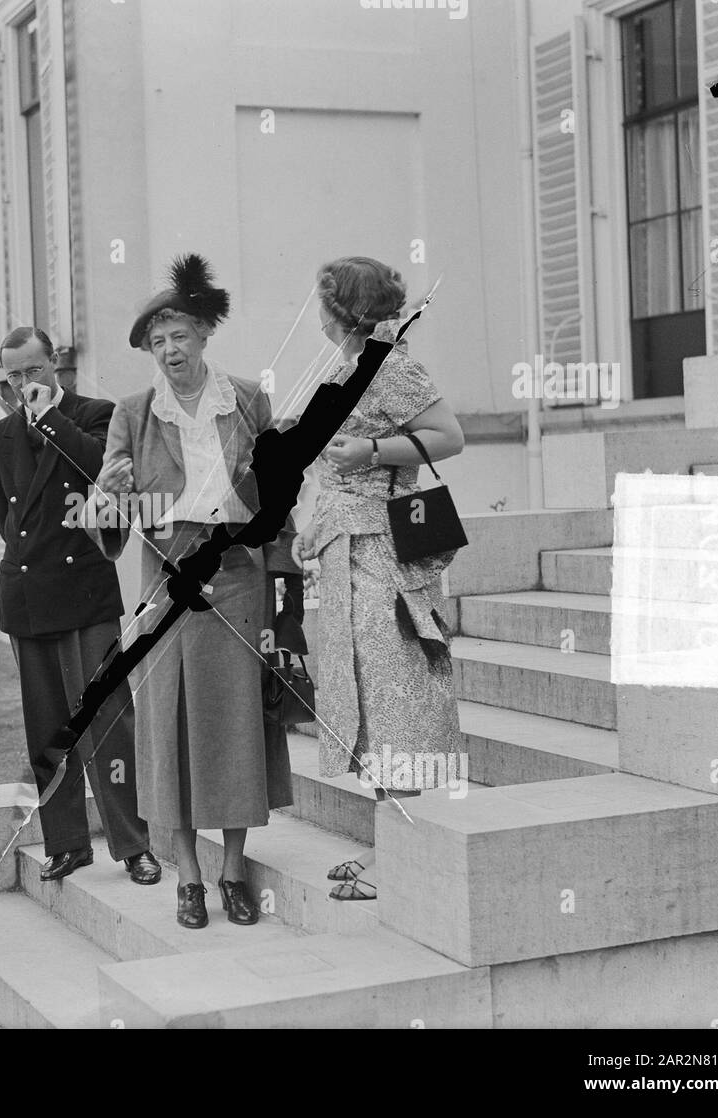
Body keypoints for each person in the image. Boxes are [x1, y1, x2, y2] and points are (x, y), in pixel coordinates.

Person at [85, 254, 296, 929]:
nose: (168, 350)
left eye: (178, 335)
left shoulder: (247, 401)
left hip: (235, 576)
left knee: (233, 728)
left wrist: (285, 571)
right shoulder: (132, 415)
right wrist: (108, 501)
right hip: (168, 583)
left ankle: (233, 871)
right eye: (156, 342)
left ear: (204, 334)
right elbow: (106, 518)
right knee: (169, 727)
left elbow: (275, 496)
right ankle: (188, 878)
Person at [291, 257, 465, 901]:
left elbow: (448, 437)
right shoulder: (354, 367)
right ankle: (387, 842)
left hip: (386, 554)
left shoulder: (389, 366)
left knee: (396, 697)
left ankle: (401, 858)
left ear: (337, 313)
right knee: (370, 697)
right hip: (350, 553)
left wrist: (368, 452)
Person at [0, 327, 159, 886]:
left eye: (32, 371)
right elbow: (7, 519)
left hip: (85, 592)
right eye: (12, 376)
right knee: (48, 730)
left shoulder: (97, 414)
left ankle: (134, 846)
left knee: (108, 723)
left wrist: (49, 418)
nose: (22, 384)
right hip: (28, 597)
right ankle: (66, 843)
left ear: (54, 363)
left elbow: (97, 472)